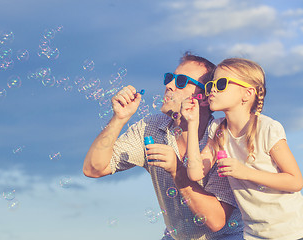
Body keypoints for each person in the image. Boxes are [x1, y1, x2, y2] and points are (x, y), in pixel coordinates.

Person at [83, 52, 244, 239]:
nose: (169, 85)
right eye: (170, 78)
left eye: (182, 81)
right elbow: (93, 169)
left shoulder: (221, 137)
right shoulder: (150, 128)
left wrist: (178, 171)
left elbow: (217, 221)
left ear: (206, 97)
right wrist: (119, 119)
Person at [182, 57, 303, 239]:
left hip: (291, 231)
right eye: (211, 84)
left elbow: (295, 181)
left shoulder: (267, 128)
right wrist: (192, 124)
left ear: (247, 94)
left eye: (221, 83)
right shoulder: (217, 129)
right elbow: (195, 173)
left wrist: (245, 172)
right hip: (254, 234)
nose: (213, 89)